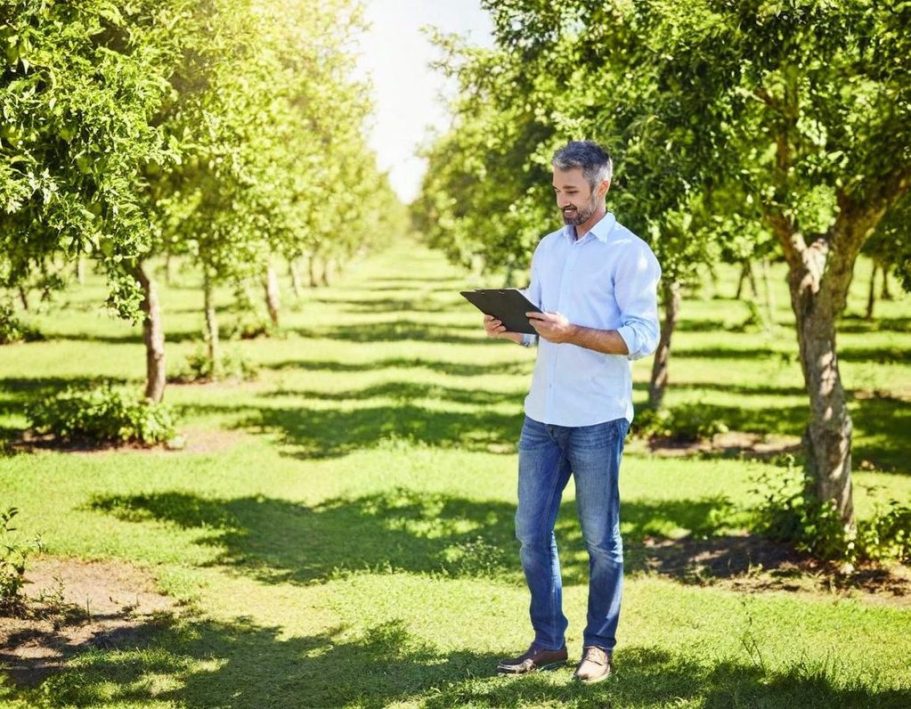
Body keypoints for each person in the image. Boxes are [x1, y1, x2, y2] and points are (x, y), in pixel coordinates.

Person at [484, 140, 661, 684]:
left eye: (571, 190)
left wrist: (573, 332)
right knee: (531, 534)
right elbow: (540, 327)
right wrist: (513, 327)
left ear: (600, 187)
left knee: (601, 541)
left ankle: (598, 647)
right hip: (542, 415)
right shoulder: (548, 248)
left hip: (598, 418)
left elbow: (641, 337)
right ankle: (548, 642)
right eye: (557, 189)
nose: (562, 199)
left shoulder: (629, 253)